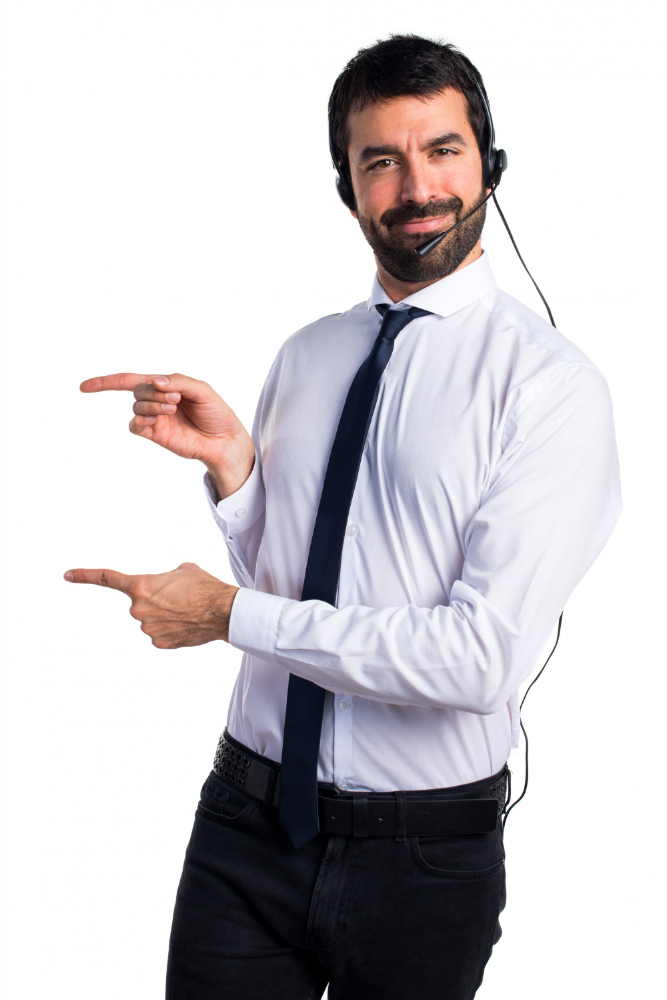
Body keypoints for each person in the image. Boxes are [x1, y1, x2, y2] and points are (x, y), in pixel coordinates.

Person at [65, 35, 621, 1000]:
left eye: (442, 150)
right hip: (246, 821)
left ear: (489, 163)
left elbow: (476, 657)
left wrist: (228, 615)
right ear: (347, 187)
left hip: (421, 855)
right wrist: (238, 475)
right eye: (381, 160)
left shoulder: (549, 387)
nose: (417, 185)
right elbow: (296, 581)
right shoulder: (309, 354)